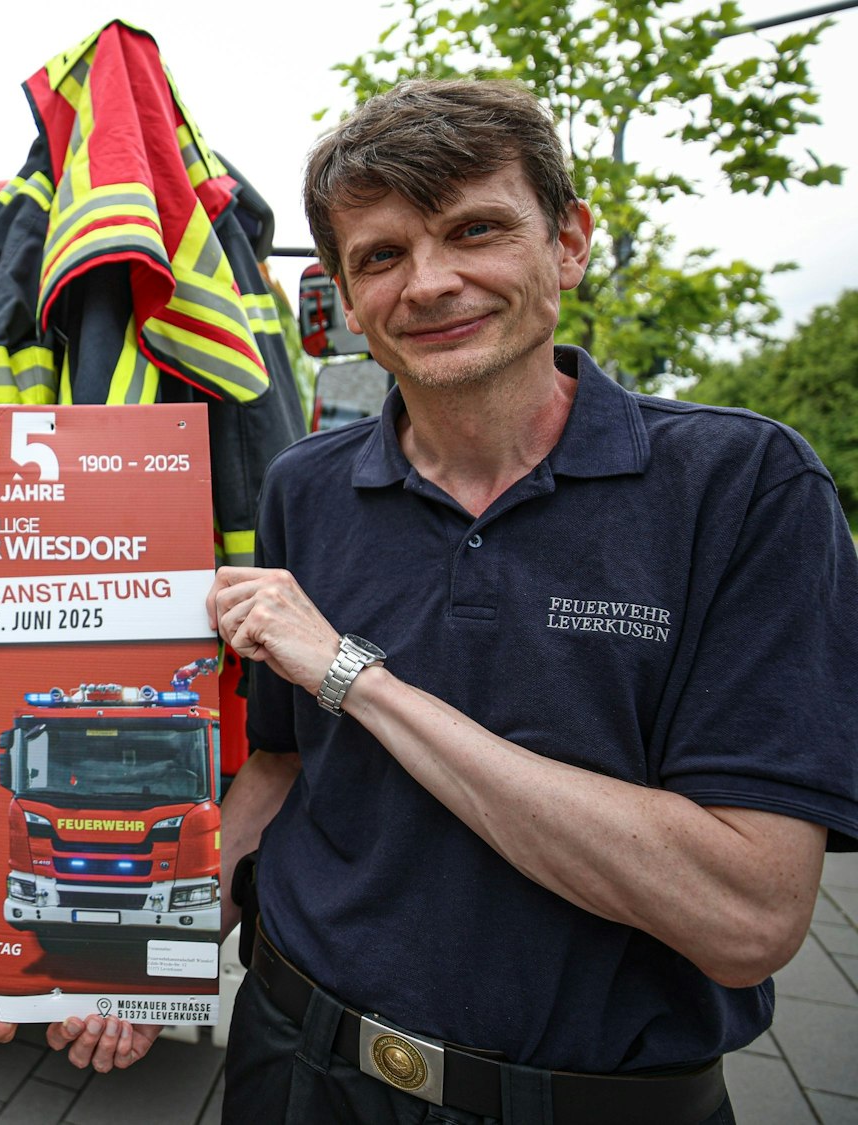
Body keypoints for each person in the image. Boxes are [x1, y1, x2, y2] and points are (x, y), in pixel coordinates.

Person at [203, 78, 858, 1123]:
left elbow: (744, 915)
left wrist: (355, 679)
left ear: (566, 243)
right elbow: (281, 767)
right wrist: (128, 951)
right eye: (378, 255)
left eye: (475, 230)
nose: (427, 283)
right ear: (336, 292)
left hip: (588, 1100)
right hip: (291, 1062)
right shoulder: (305, 488)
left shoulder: (741, 486)